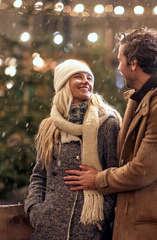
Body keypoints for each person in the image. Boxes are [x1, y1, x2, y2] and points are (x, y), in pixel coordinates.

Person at [64, 28, 157, 239]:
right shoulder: (144, 96)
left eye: (120, 60)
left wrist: (98, 179)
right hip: (138, 215)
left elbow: (142, 170)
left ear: (133, 62)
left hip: (153, 223)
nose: (118, 67)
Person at [24, 59, 122, 240]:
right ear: (63, 83)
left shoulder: (107, 124)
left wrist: (101, 219)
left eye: (89, 78)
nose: (86, 81)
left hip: (89, 229)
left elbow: (115, 173)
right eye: (78, 76)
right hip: (48, 229)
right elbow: (39, 176)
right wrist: (36, 212)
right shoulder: (49, 126)